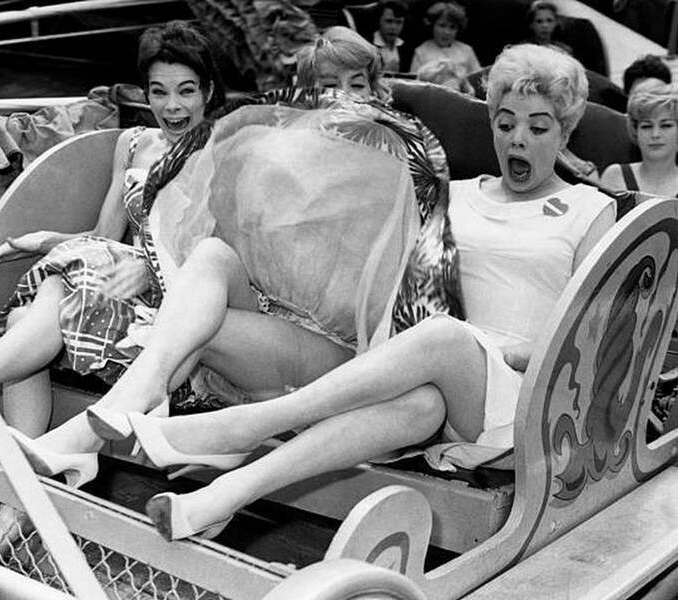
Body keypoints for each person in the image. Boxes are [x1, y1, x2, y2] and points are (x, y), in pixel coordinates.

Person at [87, 43, 616, 542]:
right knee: (421, 402)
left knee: (445, 338)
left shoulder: (591, 210)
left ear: (565, 131)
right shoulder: (451, 194)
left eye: (537, 127)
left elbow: (590, 337)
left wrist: (491, 351)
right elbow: (392, 284)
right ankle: (222, 495)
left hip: (531, 397)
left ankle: (244, 428)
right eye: (505, 124)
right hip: (442, 391)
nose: (518, 139)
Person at [2, 26, 456, 501]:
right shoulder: (283, 152)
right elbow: (217, 238)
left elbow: (396, 299)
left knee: (187, 325)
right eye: (327, 85)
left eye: (355, 84)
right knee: (210, 259)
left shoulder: (397, 167)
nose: (342, 96)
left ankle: (95, 426)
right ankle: (130, 403)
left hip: (341, 354)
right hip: (266, 329)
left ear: (376, 91)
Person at [0, 21, 225, 555]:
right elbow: (104, 236)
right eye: (159, 91)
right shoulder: (133, 143)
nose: (172, 106)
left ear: (209, 92)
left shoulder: (226, 152)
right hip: (108, 283)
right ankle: (21, 493)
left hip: (182, 308)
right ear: (145, 93)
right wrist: (41, 239)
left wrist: (150, 268)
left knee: (43, 305)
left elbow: (226, 254)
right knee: (47, 298)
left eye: (186, 90)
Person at [600, 83, 678, 198]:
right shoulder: (615, 176)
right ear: (635, 131)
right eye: (647, 126)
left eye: (666, 125)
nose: (655, 134)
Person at [409, 2, 480, 80]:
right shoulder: (421, 52)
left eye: (452, 27)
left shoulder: (467, 51)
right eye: (442, 25)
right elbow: (413, 82)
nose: (447, 32)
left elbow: (479, 78)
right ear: (432, 25)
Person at [371, 0, 410, 73]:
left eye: (399, 22)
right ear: (379, 20)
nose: (393, 27)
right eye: (389, 21)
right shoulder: (367, 44)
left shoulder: (407, 48)